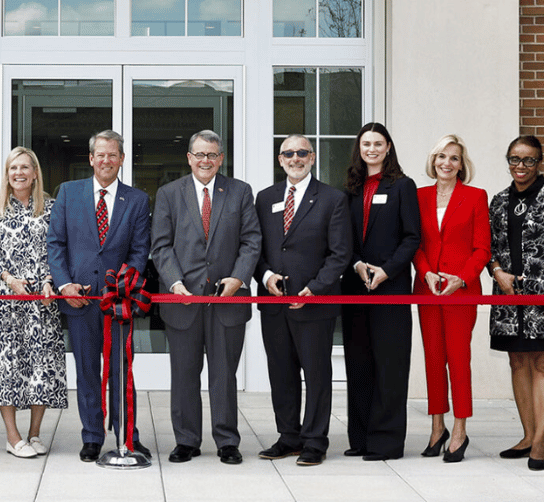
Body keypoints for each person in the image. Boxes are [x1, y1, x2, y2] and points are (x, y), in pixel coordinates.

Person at [151, 130, 261, 465]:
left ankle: (227, 440)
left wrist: (238, 278)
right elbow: (161, 245)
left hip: (227, 300)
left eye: (212, 155)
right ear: (189, 157)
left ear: (221, 158)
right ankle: (186, 440)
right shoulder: (169, 193)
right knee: (184, 373)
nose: (205, 161)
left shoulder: (240, 192)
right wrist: (174, 283)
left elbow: (251, 240)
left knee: (224, 374)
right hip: (182, 301)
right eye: (199, 155)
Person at [48, 130, 152, 462]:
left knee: (121, 370)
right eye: (100, 155)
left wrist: (124, 286)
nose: (106, 161)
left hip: (119, 302)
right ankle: (92, 436)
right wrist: (65, 285)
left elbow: (139, 252)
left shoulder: (136, 200)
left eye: (113, 155)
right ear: (90, 159)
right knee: (88, 370)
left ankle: (127, 435)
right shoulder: (68, 193)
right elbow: (56, 245)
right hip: (79, 300)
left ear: (122, 159)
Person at [254, 134, 351, 466]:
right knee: (281, 373)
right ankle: (288, 436)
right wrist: (266, 278)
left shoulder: (332, 198)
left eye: (302, 153)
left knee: (316, 374)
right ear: (280, 160)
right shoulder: (264, 198)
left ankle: (314, 440)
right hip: (274, 303)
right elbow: (257, 248)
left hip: (315, 302)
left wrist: (315, 289)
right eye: (288, 153)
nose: (295, 158)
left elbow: (340, 254)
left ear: (312, 158)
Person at [488, 134, 544, 471]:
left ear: (539, 162)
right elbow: (491, 248)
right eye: (514, 159)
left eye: (528, 160)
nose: (520, 166)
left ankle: (540, 441)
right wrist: (497, 272)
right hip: (510, 300)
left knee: (543, 363)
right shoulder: (499, 201)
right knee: (517, 362)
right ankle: (527, 435)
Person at [0, 147, 67, 459]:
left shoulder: (52, 208)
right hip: (8, 300)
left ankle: (35, 433)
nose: (19, 173)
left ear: (34, 172)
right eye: (13, 167)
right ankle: (12, 435)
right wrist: (10, 280)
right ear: (7, 173)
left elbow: (56, 250)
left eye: (24, 167)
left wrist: (47, 281)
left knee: (42, 365)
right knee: (9, 365)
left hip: (43, 301)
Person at [340, 122, 421, 461]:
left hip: (391, 288)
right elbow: (343, 238)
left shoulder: (403, 186)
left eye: (377, 143)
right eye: (365, 144)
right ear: (359, 148)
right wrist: (358, 264)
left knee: (389, 364)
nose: (371, 149)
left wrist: (386, 271)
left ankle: (385, 442)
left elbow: (412, 237)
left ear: (388, 147)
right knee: (359, 364)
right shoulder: (349, 189)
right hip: (355, 287)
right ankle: (360, 437)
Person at [415, 133, 491, 463]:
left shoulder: (475, 197)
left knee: (458, 359)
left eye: (454, 158)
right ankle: (437, 426)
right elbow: (413, 243)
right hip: (428, 288)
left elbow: (482, 248)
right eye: (441, 156)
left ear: (462, 165)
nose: (447, 162)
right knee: (433, 358)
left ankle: (460, 428)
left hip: (462, 291)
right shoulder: (417, 197)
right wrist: (427, 272)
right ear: (433, 161)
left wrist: (462, 278)